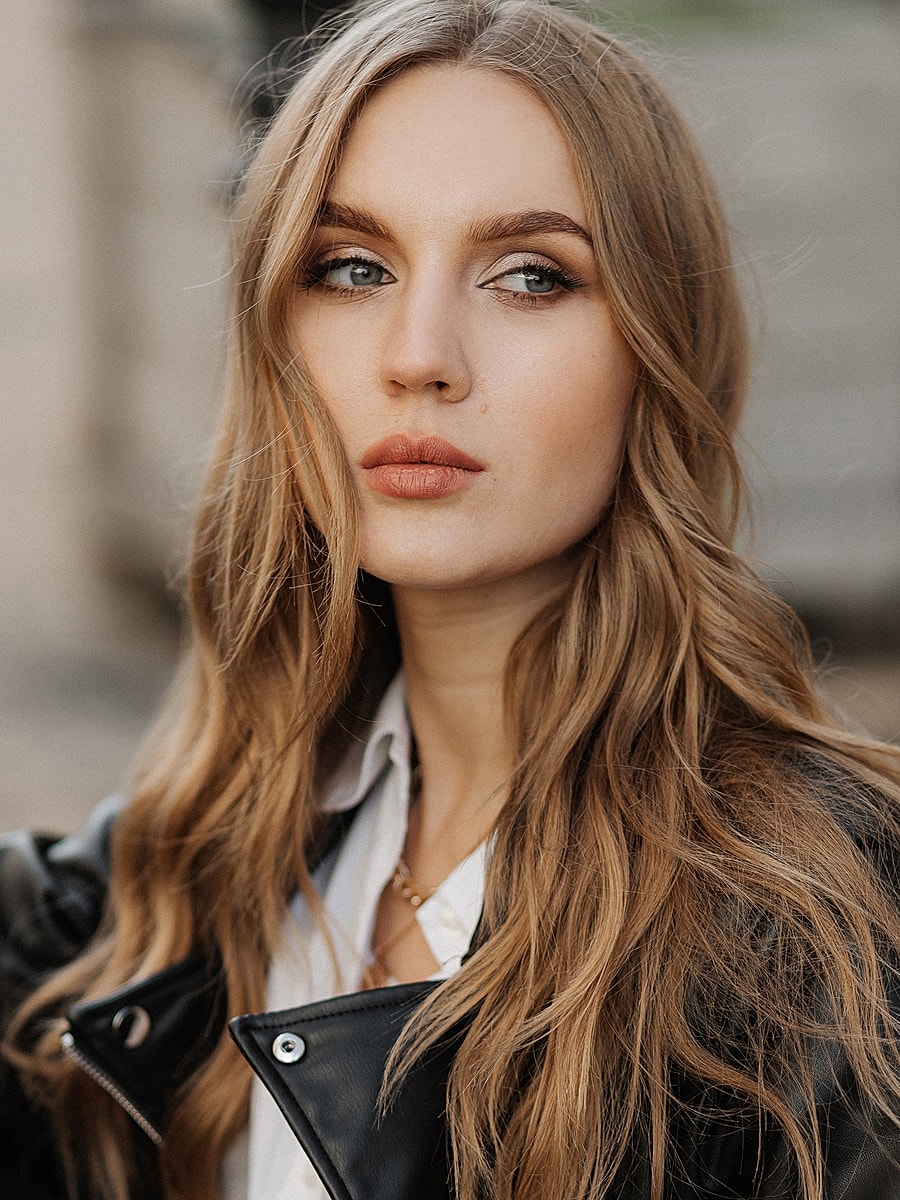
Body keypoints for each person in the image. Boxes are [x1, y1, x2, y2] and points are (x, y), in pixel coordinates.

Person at [3, 0, 900, 1197]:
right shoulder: (181, 874)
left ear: (659, 351)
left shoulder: (831, 932)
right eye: (352, 268)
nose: (418, 354)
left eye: (532, 276)